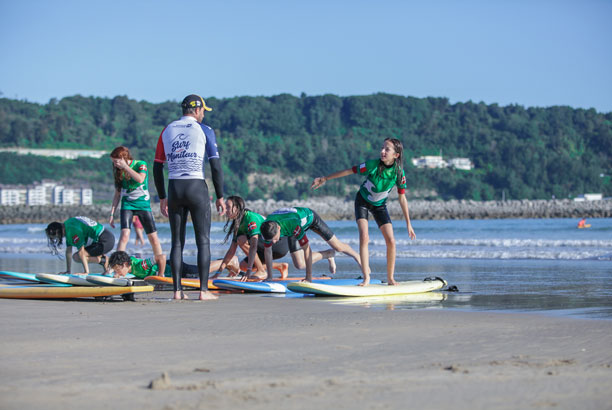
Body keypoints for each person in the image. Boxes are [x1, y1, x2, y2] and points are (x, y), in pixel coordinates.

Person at [311, 138, 416, 286]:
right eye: (382, 148)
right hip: (362, 202)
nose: (382, 151)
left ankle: (391, 278)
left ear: (396, 155)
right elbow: (349, 171)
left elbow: (402, 198)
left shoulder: (399, 173)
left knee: (391, 241)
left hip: (380, 206)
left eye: (387, 149)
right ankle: (366, 277)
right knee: (364, 237)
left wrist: (408, 224)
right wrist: (324, 178)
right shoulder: (372, 165)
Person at [153, 94, 226, 300]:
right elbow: (215, 165)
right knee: (203, 240)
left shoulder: (167, 130)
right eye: (203, 110)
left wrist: (162, 197)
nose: (203, 114)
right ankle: (203, 291)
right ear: (196, 110)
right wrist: (220, 196)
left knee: (177, 242)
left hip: (175, 187)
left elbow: (157, 166)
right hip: (196, 187)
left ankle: (177, 292)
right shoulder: (205, 130)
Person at [260, 207, 361, 282]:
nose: (273, 242)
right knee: (300, 264)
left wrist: (308, 277)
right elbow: (268, 252)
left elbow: (307, 249)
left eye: (274, 239)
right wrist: (270, 277)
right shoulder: (267, 228)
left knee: (337, 246)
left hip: (310, 219)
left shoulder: (293, 225)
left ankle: (358, 257)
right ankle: (328, 254)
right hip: (290, 225)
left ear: (278, 228)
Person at [109, 146, 165, 277]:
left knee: (153, 238)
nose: (115, 164)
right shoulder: (119, 171)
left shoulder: (141, 164)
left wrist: (125, 167)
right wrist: (112, 214)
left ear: (124, 158)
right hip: (127, 204)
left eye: (116, 161)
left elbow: (140, 179)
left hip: (143, 204)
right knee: (124, 235)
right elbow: (117, 195)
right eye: (113, 162)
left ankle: (160, 267)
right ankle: (117, 266)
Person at [211, 196, 294, 281]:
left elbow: (254, 245)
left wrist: (249, 271)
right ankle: (280, 266)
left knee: (241, 239)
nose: (225, 210)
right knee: (243, 266)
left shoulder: (251, 218)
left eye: (228, 207)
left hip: (278, 244)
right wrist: (218, 272)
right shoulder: (238, 222)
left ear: (237, 208)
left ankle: (261, 271)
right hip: (265, 247)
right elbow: (231, 251)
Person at [45, 216, 115, 275]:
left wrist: (86, 272)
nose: (56, 239)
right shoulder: (67, 225)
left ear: (58, 231)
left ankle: (104, 261)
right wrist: (68, 271)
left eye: (55, 236)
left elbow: (81, 252)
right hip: (102, 240)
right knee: (78, 256)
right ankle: (105, 264)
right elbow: (68, 251)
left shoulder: (72, 230)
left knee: (77, 257)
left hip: (105, 241)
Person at [108, 250, 239, 279]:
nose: (117, 272)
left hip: (176, 269)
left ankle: (230, 260)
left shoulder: (140, 265)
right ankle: (225, 261)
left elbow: (161, 257)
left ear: (125, 264)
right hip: (174, 267)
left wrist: (160, 275)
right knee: (199, 268)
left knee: (201, 271)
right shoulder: (129, 265)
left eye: (118, 270)